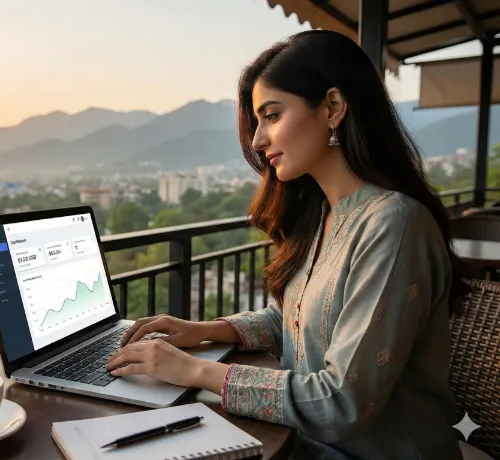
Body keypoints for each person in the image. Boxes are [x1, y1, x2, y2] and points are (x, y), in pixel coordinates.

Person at [105, 30, 469, 460]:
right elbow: (294, 320)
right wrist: (203, 331)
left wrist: (194, 370)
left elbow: (342, 403)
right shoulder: (325, 216)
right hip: (307, 445)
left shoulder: (393, 223)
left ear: (333, 108)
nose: (258, 140)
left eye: (271, 115)